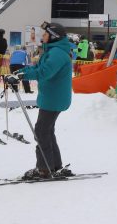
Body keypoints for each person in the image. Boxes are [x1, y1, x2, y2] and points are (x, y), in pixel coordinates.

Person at [11, 22, 73, 179]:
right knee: (47, 131)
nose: (42, 36)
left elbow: (45, 72)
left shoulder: (57, 53)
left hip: (54, 98)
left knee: (41, 131)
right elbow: (38, 68)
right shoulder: (53, 51)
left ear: (53, 36)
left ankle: (44, 168)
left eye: (45, 34)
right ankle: (54, 165)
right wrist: (20, 72)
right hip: (52, 97)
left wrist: (23, 76)